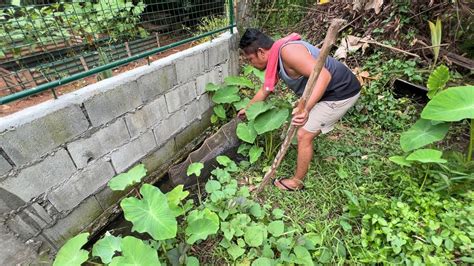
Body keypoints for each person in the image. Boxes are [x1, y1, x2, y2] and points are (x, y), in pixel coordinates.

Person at [238, 28, 361, 191]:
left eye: (250, 59)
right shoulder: (276, 57)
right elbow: (265, 90)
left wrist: (306, 109)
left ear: (261, 52)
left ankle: (297, 182)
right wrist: (247, 109)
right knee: (299, 123)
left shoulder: (289, 52)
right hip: (327, 91)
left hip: (340, 91)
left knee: (303, 134)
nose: (250, 64)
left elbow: (323, 76)